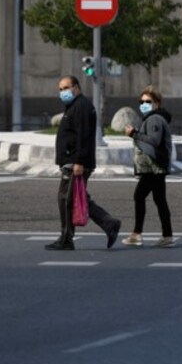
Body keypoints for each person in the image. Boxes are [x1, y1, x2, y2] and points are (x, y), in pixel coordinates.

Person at [45, 75, 121, 251]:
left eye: (66, 88)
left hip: (75, 163)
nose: (63, 92)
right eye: (60, 89)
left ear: (77, 88)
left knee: (66, 199)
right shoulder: (74, 107)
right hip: (71, 162)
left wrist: (79, 162)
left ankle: (66, 238)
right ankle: (109, 224)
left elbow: (84, 137)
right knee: (76, 198)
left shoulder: (81, 107)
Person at [122, 86, 174, 247]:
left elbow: (154, 140)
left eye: (148, 101)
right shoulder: (153, 117)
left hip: (153, 166)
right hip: (155, 166)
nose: (144, 104)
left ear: (157, 103)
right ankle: (167, 236)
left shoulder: (155, 119)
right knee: (159, 199)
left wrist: (134, 133)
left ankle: (137, 234)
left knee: (139, 196)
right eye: (142, 101)